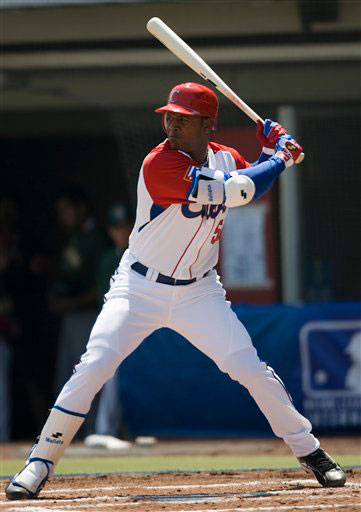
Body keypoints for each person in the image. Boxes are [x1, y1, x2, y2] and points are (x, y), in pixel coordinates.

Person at [5, 82, 346, 500]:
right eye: (169, 116)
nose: (171, 125)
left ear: (208, 125)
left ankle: (311, 452)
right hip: (138, 287)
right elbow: (239, 190)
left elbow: (251, 178)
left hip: (199, 293)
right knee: (94, 365)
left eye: (182, 119)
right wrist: (279, 158)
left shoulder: (225, 156)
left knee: (250, 368)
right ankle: (40, 462)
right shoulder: (159, 164)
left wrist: (272, 155)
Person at [49, 187, 108, 434]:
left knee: (88, 376)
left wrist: (72, 303)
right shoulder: (73, 239)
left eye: (67, 210)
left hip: (89, 317)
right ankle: (64, 436)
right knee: (67, 378)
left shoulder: (97, 238)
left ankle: (96, 433)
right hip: (71, 318)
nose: (63, 217)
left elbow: (103, 284)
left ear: (82, 208)